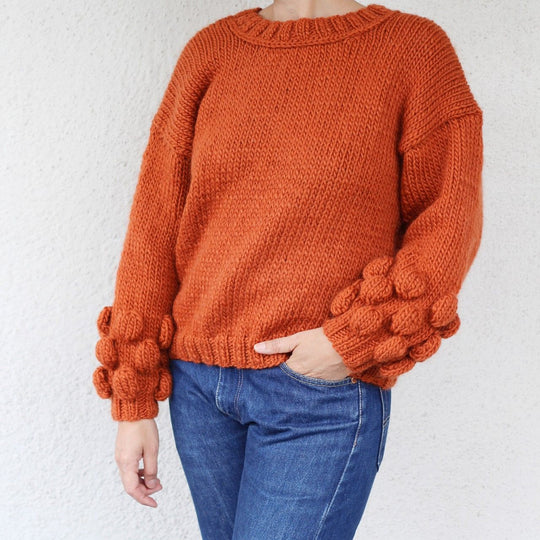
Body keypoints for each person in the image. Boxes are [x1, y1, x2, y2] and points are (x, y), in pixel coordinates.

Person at [92, 1, 483, 538]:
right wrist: (133, 400)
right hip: (200, 387)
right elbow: (155, 224)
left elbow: (448, 218)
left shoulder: (414, 51)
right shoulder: (212, 51)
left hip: (317, 393)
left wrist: (349, 342)